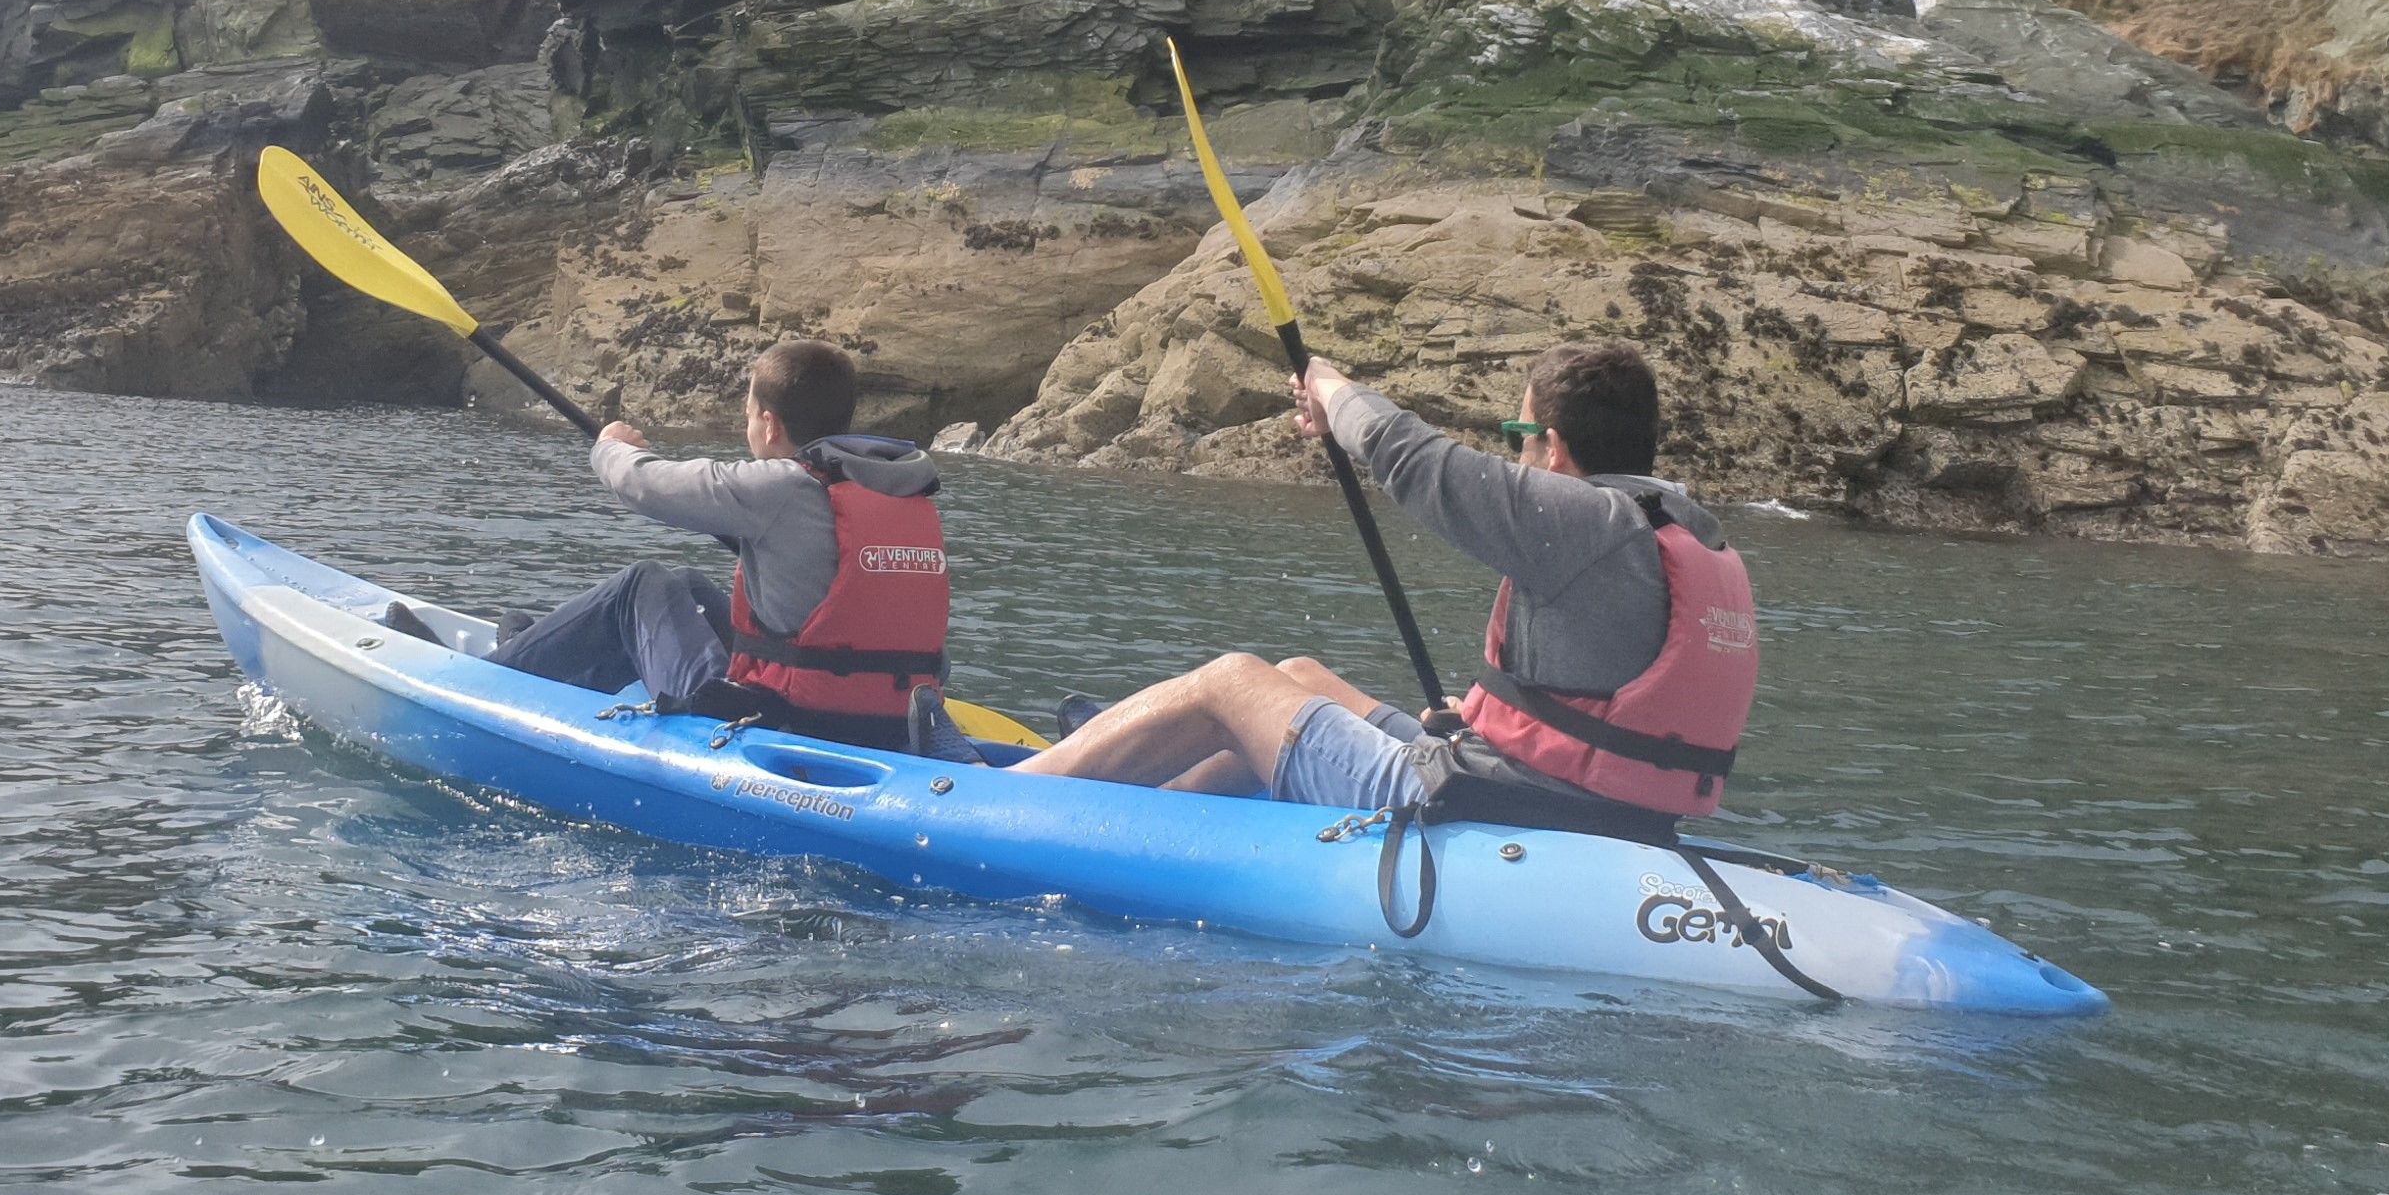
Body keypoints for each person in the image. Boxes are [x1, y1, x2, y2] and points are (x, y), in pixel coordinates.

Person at [1010, 339, 1758, 834]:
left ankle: (1009, 796)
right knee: (1299, 678)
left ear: (1554, 450)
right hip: (1581, 796)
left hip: (1511, 803)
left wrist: (1331, 388)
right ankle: (1136, 825)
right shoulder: (1682, 527)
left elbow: (1415, 459)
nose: (1515, 453)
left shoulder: (1586, 521)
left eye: (1517, 436)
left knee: (1231, 684)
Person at [489, 339, 951, 753]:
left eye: (748, 414)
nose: (746, 425)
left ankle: (499, 671)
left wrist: (609, 446)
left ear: (769, 426)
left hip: (788, 722)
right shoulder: (901, 491)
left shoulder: (780, 487)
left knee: (640, 586)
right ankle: (540, 652)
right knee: (687, 587)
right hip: (888, 719)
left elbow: (644, 482)